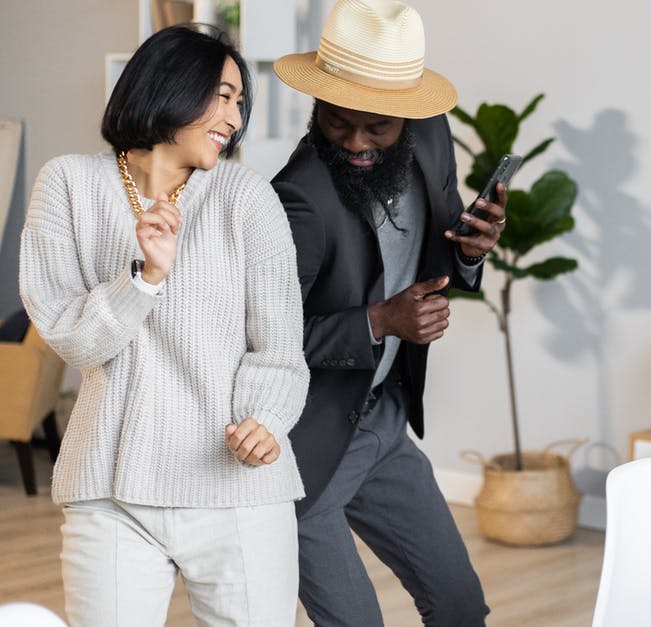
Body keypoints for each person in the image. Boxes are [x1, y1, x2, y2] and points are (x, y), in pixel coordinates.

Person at [18, 25, 309, 626]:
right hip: (111, 489)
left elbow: (280, 350)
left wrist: (266, 420)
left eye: (239, 101)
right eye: (222, 95)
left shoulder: (247, 198)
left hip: (238, 488)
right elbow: (71, 338)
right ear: (170, 86)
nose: (234, 116)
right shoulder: (68, 184)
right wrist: (143, 280)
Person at [270, 1, 501, 624]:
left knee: (460, 607)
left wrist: (472, 252)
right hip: (305, 451)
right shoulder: (297, 201)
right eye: (339, 123)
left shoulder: (429, 135)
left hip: (382, 422)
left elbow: (437, 244)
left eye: (377, 127)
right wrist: (379, 321)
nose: (356, 143)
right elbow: (262, 341)